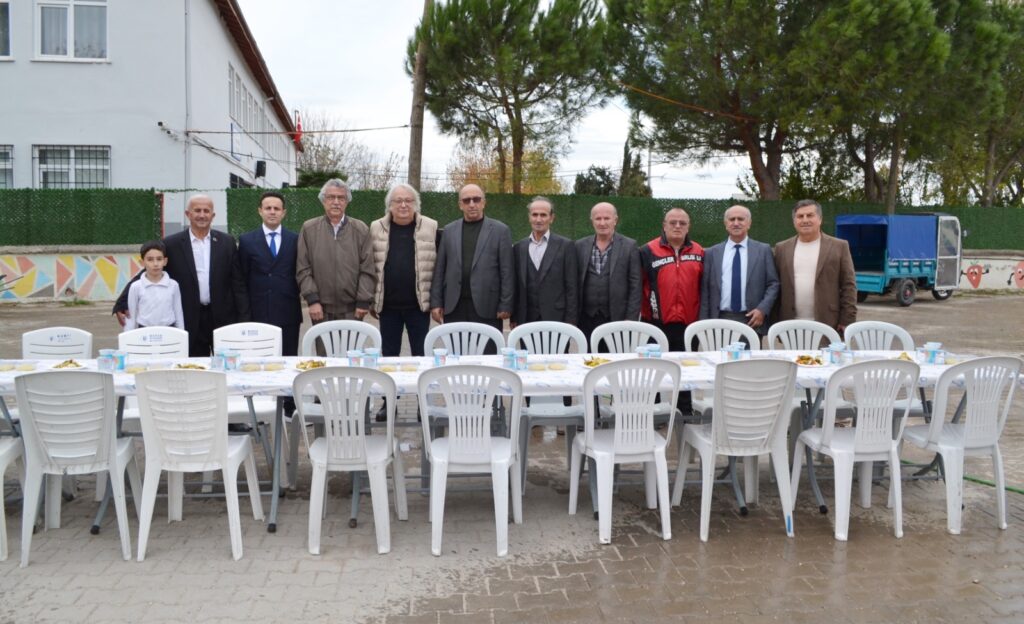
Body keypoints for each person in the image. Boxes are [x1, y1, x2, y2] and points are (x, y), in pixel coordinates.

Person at [114, 194, 246, 356]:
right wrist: (121, 303)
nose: (202, 215)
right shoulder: (172, 244)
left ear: (213, 215)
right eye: (197, 210)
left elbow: (238, 282)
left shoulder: (227, 242)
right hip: (191, 317)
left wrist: (244, 317)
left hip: (222, 317)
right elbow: (150, 271)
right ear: (188, 214)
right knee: (194, 365)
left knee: (226, 364)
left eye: (206, 211)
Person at [429, 184, 514, 349]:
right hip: (454, 306)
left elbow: (507, 271)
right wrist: (436, 302)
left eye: (476, 199)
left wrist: (506, 304)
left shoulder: (500, 231)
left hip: (487, 306)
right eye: (467, 200)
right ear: (460, 205)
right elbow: (440, 269)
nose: (472, 204)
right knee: (456, 355)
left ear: (484, 202)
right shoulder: (449, 230)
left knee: (488, 356)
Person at [369, 182, 438, 358]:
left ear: (416, 204)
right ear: (389, 205)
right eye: (398, 201)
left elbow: (439, 266)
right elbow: (371, 265)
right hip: (388, 307)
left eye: (408, 200)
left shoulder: (431, 226)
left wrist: (437, 301)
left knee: (421, 354)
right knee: (389, 355)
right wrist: (371, 300)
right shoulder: (376, 227)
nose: (403, 205)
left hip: (419, 306)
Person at [296, 179, 376, 327]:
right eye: (331, 197)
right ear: (323, 201)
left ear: (347, 202)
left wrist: (363, 301)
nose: (336, 202)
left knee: (351, 344)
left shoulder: (361, 229)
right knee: (323, 344)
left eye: (341, 198)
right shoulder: (309, 229)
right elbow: (303, 268)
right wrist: (312, 300)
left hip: (352, 310)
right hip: (320, 310)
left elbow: (368, 268)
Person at [773, 199, 858, 333]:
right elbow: (775, 286)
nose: (805, 220)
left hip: (828, 322)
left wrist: (847, 319)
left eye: (810, 215)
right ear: (794, 221)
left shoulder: (839, 246)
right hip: (789, 324)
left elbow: (849, 285)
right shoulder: (781, 248)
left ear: (820, 219)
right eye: (800, 216)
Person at [236, 191, 302, 358]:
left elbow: (301, 272)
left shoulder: (296, 240)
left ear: (283, 212)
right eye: (268, 208)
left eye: (276, 208)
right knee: (258, 361)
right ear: (260, 211)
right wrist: (244, 314)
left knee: (288, 360)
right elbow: (241, 279)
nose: (272, 212)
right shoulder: (246, 241)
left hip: (288, 313)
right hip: (258, 314)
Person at [700, 205, 779, 341]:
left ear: (749, 223)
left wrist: (762, 310)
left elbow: (773, 284)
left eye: (741, 219)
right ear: (726, 224)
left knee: (750, 355)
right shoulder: (712, 253)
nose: (736, 223)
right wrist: (704, 322)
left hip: (751, 319)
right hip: (719, 318)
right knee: (719, 355)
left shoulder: (763, 250)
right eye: (732, 219)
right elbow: (705, 290)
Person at [574, 202, 642, 350]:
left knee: (616, 358)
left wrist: (630, 319)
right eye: (598, 218)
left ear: (615, 220)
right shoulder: (579, 246)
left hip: (617, 318)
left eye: (607, 218)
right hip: (586, 318)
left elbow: (635, 285)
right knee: (588, 357)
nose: (602, 223)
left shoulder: (629, 246)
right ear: (592, 221)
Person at [639, 207, 704, 347]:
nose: (677, 226)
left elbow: (704, 287)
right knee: (655, 361)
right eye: (673, 223)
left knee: (688, 361)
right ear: (664, 226)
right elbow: (637, 286)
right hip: (655, 324)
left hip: (690, 325)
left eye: (682, 223)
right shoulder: (647, 251)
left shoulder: (699, 251)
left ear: (688, 227)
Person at [511, 196, 578, 327]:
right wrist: (514, 316)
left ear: (551, 218)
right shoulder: (518, 248)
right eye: (535, 215)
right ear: (529, 217)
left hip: (557, 318)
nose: (538, 219)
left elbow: (572, 287)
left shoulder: (566, 246)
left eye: (543, 215)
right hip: (526, 319)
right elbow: (515, 285)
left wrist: (571, 320)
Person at [123, 240, 185, 331]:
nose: (155, 264)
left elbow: (178, 313)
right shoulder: (136, 287)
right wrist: (128, 336)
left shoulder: (173, 285)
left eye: (159, 259)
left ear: (165, 261)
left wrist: (182, 335)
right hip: (144, 332)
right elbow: (131, 316)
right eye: (150, 259)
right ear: (142, 262)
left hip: (169, 331)